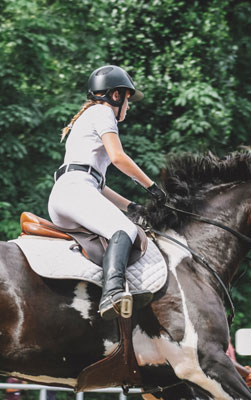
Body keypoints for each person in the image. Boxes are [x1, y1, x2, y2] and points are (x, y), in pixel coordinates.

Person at [49, 65, 167, 320]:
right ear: (115, 95)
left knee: (116, 226)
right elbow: (118, 157)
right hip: (76, 192)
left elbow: (97, 185)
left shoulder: (87, 117)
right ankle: (112, 293)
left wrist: (131, 206)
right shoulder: (103, 112)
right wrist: (152, 187)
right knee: (124, 229)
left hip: (69, 193)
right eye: (127, 99)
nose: (128, 106)